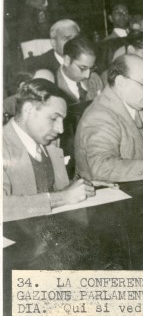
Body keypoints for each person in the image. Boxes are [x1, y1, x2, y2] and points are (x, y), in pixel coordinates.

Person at [75, 55, 143, 182]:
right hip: (107, 191)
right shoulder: (100, 116)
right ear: (121, 82)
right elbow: (102, 168)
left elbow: (142, 148)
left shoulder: (132, 105)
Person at [3, 79, 95, 222]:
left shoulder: (48, 142)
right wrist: (62, 197)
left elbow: (52, 187)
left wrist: (81, 186)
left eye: (62, 120)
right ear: (28, 110)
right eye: (54, 118)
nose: (60, 129)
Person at [57, 36, 103, 104]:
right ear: (67, 60)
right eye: (83, 68)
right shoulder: (53, 86)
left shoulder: (95, 80)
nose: (87, 75)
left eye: (91, 68)